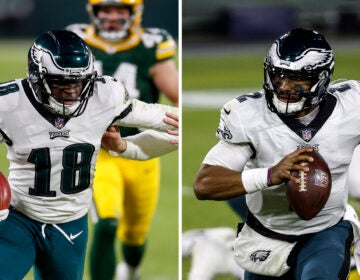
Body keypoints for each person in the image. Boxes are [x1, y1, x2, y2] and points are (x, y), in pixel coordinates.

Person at [0, 29, 178, 280]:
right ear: (37, 77)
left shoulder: (104, 96)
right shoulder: (8, 102)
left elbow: (177, 124)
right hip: (19, 218)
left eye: (79, 82)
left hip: (71, 225)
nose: (72, 91)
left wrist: (126, 147)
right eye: (61, 82)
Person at [193, 28, 360, 279]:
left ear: (322, 77)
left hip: (327, 229)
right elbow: (204, 185)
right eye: (278, 75)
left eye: (296, 79)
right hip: (266, 235)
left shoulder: (352, 105)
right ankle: (217, 251)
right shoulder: (248, 115)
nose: (283, 86)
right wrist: (269, 175)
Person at [67, 0, 178, 279]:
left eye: (120, 10)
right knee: (106, 223)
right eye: (105, 9)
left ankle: (130, 269)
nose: (112, 16)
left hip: (140, 149)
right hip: (97, 151)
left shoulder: (152, 44)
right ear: (94, 12)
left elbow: (176, 94)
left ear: (134, 13)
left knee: (135, 236)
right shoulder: (75, 41)